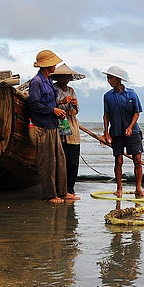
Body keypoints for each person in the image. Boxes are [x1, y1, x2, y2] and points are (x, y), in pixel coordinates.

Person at [26, 50, 76, 203]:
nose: (55, 65)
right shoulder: (37, 82)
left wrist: (59, 107)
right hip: (42, 127)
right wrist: (52, 110)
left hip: (53, 126)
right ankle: (50, 195)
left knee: (60, 160)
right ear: (47, 65)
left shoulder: (47, 81)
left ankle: (62, 192)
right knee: (47, 163)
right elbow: (33, 104)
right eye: (53, 63)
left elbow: (50, 102)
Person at [102, 65, 144, 198]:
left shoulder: (131, 94)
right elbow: (106, 115)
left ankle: (138, 188)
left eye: (110, 78)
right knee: (118, 161)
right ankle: (119, 188)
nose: (109, 81)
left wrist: (130, 127)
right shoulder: (107, 96)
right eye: (107, 78)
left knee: (137, 160)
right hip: (116, 132)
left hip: (132, 132)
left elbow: (137, 112)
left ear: (118, 79)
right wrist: (106, 132)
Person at [51, 64, 85, 199]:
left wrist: (75, 106)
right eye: (64, 77)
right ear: (58, 77)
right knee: (60, 159)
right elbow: (49, 106)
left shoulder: (71, 90)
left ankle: (70, 188)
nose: (67, 80)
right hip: (58, 126)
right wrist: (62, 101)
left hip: (71, 126)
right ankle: (61, 188)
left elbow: (76, 111)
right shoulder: (53, 89)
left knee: (73, 160)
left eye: (68, 77)